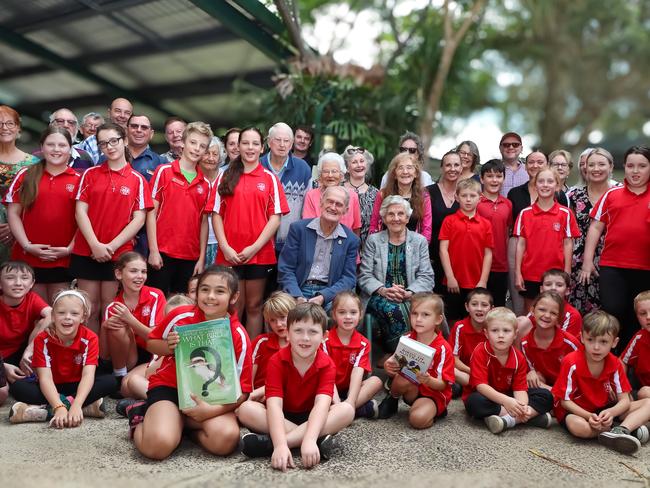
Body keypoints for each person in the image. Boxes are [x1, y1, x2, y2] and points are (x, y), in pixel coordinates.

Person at [131, 266, 252, 460]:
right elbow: (152, 343)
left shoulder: (238, 335)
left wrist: (210, 411)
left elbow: (243, 390)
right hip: (170, 388)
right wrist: (169, 347)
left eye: (219, 291)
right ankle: (139, 418)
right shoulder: (181, 315)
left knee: (225, 440)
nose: (210, 296)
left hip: (212, 397)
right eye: (204, 289)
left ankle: (184, 429)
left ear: (234, 296)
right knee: (156, 447)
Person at [237, 302, 355, 470]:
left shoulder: (327, 364)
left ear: (324, 336)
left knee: (347, 410)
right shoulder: (276, 361)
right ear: (288, 334)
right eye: (298, 331)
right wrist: (295, 442)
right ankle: (319, 441)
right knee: (246, 409)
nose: (305, 338)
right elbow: (274, 406)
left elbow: (321, 406)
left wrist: (300, 441)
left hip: (313, 417)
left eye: (313, 332)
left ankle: (272, 445)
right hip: (282, 417)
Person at [71, 122, 152, 333]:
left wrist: (111, 246)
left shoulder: (138, 180)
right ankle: (91, 359)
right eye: (103, 143)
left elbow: (139, 219)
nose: (109, 146)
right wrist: (95, 245)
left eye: (114, 141)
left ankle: (107, 362)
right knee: (89, 308)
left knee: (109, 309)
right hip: (86, 249)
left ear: (124, 141)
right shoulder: (90, 175)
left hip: (119, 254)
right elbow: (80, 212)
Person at [209, 127, 289, 339]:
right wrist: (225, 247)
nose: (250, 148)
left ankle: (250, 356)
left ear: (262, 147)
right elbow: (216, 214)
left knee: (254, 306)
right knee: (233, 306)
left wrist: (254, 248)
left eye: (255, 143)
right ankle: (230, 355)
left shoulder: (270, 179)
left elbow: (275, 218)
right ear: (238, 146)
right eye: (245, 143)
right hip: (228, 254)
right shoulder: (224, 176)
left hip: (259, 254)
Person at [9, 289, 117, 426]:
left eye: (74, 313)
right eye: (61, 313)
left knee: (110, 381)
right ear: (53, 316)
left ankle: (47, 411)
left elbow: (88, 375)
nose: (67, 317)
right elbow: (45, 378)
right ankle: (81, 407)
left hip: (77, 385)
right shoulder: (42, 339)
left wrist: (77, 404)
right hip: (51, 385)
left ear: (83, 317)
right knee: (18, 387)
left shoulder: (90, 338)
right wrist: (59, 407)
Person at [580, 146, 650, 350]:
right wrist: (587, 261)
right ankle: (613, 364)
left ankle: (636, 368)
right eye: (630, 166)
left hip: (646, 268)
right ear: (624, 167)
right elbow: (595, 227)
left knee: (640, 318)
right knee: (613, 313)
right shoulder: (612, 194)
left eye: (642, 166)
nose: (635, 171)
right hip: (613, 266)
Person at [552, 311, 650, 454]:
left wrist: (611, 412)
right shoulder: (571, 361)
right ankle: (619, 431)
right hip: (577, 411)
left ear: (614, 342)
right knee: (580, 428)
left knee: (648, 402)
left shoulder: (615, 364)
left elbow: (624, 401)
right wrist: (588, 416)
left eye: (603, 341)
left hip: (604, 409)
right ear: (582, 338)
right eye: (591, 339)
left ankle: (622, 430)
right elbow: (565, 402)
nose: (596, 347)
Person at [4, 127, 80, 301]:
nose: (56, 149)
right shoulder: (26, 175)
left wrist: (69, 249)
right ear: (42, 147)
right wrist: (27, 245)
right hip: (28, 258)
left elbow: (84, 220)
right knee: (32, 313)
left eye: (62, 145)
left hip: (63, 260)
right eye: (50, 144)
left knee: (58, 311)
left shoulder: (79, 179)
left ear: (70, 149)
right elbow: (13, 213)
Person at [359, 196, 434, 354]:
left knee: (420, 310)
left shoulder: (419, 241)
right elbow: (365, 276)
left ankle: (404, 358)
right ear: (384, 218)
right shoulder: (373, 241)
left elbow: (427, 276)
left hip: (412, 294)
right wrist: (383, 290)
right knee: (393, 309)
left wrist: (409, 292)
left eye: (401, 214)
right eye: (391, 214)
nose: (396, 218)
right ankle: (405, 360)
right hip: (379, 296)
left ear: (407, 218)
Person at [463, 307, 554, 434]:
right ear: (486, 333)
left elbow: (520, 389)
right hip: (487, 396)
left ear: (515, 334)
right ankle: (530, 417)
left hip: (510, 396)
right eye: (494, 330)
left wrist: (521, 407)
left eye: (506, 331)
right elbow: (481, 386)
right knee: (473, 403)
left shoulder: (518, 357)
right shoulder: (480, 351)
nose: (501, 335)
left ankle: (508, 420)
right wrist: (508, 402)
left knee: (546, 396)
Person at [147, 122, 211, 295]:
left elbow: (204, 222)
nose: (197, 149)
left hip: (190, 256)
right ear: (183, 142)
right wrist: (153, 250)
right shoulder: (163, 171)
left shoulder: (205, 184)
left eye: (202, 146)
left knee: (183, 306)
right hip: (162, 252)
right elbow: (151, 213)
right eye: (193, 142)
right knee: (157, 304)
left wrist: (201, 258)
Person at [377, 293, 454, 429]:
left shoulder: (443, 348)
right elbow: (394, 360)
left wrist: (429, 380)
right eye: (414, 313)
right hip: (412, 389)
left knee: (417, 420)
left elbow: (443, 384)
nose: (418, 319)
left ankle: (435, 411)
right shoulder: (407, 338)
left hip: (433, 394)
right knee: (403, 374)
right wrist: (388, 366)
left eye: (425, 315)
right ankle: (392, 399)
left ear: (438, 319)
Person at [278, 186, 359, 311]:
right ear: (321, 202)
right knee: (282, 309)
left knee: (341, 311)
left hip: (330, 294)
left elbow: (348, 278)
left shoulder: (351, 240)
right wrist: (297, 296)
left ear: (345, 210)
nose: (333, 207)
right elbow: (286, 268)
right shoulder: (298, 229)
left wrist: (323, 297)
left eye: (339, 204)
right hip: (298, 288)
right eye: (330, 201)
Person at [514, 167, 580, 312]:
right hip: (530, 273)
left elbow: (568, 244)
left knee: (554, 312)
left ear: (557, 186)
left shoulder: (565, 213)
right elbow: (520, 245)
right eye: (541, 181)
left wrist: (567, 272)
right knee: (531, 313)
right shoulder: (525, 213)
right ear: (535, 185)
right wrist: (518, 273)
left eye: (550, 181)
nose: (545, 185)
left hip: (556, 275)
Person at [115, 293, 193, 412]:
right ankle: (152, 402)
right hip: (163, 386)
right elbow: (151, 370)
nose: (175, 324)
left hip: (188, 390)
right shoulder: (162, 342)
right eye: (170, 319)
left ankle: (147, 406)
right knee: (129, 383)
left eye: (180, 318)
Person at [101, 252, 166, 391]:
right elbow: (104, 355)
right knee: (116, 326)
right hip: (128, 357)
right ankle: (119, 375)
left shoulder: (155, 295)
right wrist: (104, 328)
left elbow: (156, 337)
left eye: (144, 272)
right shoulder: (114, 306)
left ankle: (127, 386)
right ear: (119, 274)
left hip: (153, 353)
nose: (140, 276)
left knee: (129, 386)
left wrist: (130, 319)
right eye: (133, 271)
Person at [569, 148, 618, 314]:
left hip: (612, 260)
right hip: (578, 261)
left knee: (610, 309)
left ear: (611, 167)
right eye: (591, 165)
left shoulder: (619, 192)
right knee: (578, 308)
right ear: (585, 168)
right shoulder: (573, 196)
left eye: (601, 164)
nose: (596, 169)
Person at [439, 178, 494, 322]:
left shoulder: (486, 224)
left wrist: (483, 280)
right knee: (452, 320)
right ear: (457, 197)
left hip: (476, 282)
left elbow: (488, 254)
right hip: (453, 282)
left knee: (475, 320)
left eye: (472, 196)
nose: (468, 200)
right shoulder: (449, 221)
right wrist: (450, 277)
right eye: (464, 196)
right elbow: (443, 250)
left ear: (480, 198)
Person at [325, 291, 383, 418]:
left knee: (376, 381)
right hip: (327, 389)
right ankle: (359, 410)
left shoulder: (363, 343)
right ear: (334, 314)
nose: (348, 316)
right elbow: (326, 376)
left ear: (360, 314)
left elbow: (357, 374)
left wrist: (350, 401)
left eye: (353, 312)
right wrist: (337, 402)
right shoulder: (325, 340)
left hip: (349, 390)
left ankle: (344, 409)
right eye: (342, 312)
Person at [260, 122, 312, 254]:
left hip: (291, 241)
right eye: (278, 140)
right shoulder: (258, 165)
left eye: (287, 141)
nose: (282, 145)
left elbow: (308, 206)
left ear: (291, 144)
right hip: (258, 241)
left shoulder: (303, 168)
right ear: (269, 142)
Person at [0, 261, 51, 391]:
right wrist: (3, 366)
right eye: (10, 278)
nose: (18, 283)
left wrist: (29, 350)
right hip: (2, 357)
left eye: (24, 278)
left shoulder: (31, 298)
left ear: (32, 283)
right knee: (2, 393)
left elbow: (52, 315)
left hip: (20, 352)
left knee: (44, 323)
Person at [0, 105, 40, 263]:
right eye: (0, 123)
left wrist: (14, 226)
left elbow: (36, 201)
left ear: (18, 128)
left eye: (10, 123)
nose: (4, 128)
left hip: (21, 231)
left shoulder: (33, 163)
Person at [520, 291, 581, 390]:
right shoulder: (525, 344)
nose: (547, 315)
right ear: (532, 311)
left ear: (559, 318)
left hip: (569, 389)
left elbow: (581, 375)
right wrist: (530, 373)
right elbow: (532, 378)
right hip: (545, 390)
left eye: (553, 313)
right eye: (542, 309)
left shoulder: (570, 343)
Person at [370, 152, 432, 242]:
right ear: (394, 174)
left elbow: (427, 229)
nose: (405, 172)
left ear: (416, 173)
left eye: (409, 168)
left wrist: (420, 249)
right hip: (384, 247)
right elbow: (374, 224)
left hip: (414, 248)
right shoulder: (383, 194)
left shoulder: (424, 196)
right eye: (400, 168)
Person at [477, 160, 512, 307]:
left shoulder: (508, 204)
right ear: (481, 179)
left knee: (497, 307)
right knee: (478, 306)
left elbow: (508, 232)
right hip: (478, 265)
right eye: (490, 176)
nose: (494, 180)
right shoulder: (475, 202)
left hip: (500, 265)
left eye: (498, 176)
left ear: (503, 179)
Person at [426, 150, 460, 294]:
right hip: (431, 257)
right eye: (448, 165)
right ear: (442, 168)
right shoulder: (428, 192)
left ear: (462, 167)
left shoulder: (467, 193)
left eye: (456, 165)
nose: (452, 169)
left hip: (458, 257)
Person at [303, 152, 361, 235]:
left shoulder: (352, 196)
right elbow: (307, 224)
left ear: (341, 174)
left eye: (334, 171)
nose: (330, 175)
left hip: (344, 244)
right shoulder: (311, 195)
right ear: (320, 175)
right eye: (326, 171)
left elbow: (356, 228)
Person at [449, 288, 493, 392]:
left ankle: (477, 386)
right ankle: (476, 385)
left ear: (491, 309)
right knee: (451, 370)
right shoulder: (460, 327)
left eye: (484, 305)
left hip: (488, 373)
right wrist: (472, 371)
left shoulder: (494, 328)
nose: (479, 309)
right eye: (474, 304)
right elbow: (454, 359)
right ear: (467, 307)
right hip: (466, 371)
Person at [250, 291, 295, 395]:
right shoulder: (261, 342)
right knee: (247, 408)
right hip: (257, 400)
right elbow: (248, 380)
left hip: (286, 399)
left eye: (283, 317)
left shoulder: (302, 344)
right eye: (272, 320)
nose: (278, 324)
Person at [342, 145, 379, 251]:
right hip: (340, 247)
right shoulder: (338, 190)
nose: (359, 165)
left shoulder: (376, 194)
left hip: (367, 251)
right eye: (354, 162)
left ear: (367, 165)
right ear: (347, 168)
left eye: (362, 161)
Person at [77, 98, 133, 165]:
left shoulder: (137, 141)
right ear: (109, 113)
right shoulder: (92, 141)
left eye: (127, 113)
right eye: (118, 111)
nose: (122, 115)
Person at [200, 136, 227, 267]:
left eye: (215, 154)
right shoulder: (193, 177)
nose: (210, 158)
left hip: (222, 243)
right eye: (206, 153)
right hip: (195, 243)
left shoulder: (228, 178)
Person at [620, 291, 650, 399]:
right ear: (637, 317)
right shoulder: (639, 338)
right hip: (647, 392)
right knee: (645, 392)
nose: (648, 317)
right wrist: (623, 389)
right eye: (643, 313)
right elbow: (622, 361)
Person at [126, 114, 165, 181]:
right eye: (134, 126)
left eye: (144, 127)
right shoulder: (111, 157)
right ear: (126, 130)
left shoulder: (162, 163)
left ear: (151, 134)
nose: (139, 130)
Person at [498, 132, 526, 197]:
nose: (511, 147)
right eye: (506, 145)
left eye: (515, 144)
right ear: (500, 148)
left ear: (521, 148)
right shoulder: (492, 171)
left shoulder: (529, 170)